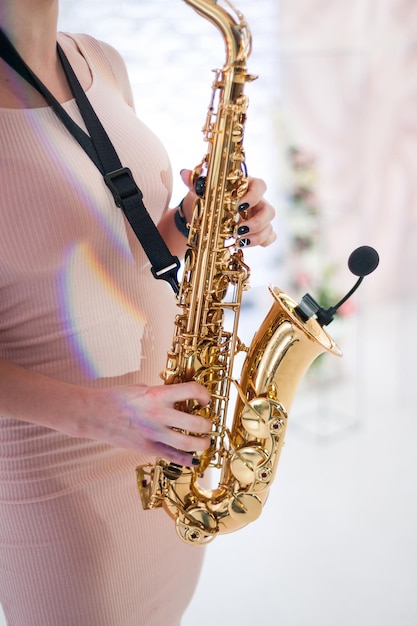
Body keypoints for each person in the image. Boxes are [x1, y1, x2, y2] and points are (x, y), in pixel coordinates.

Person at [0, 1, 277, 624]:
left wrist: (199, 218)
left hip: (161, 438)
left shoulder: (98, 59)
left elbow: (119, 249)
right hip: (58, 475)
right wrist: (100, 415)